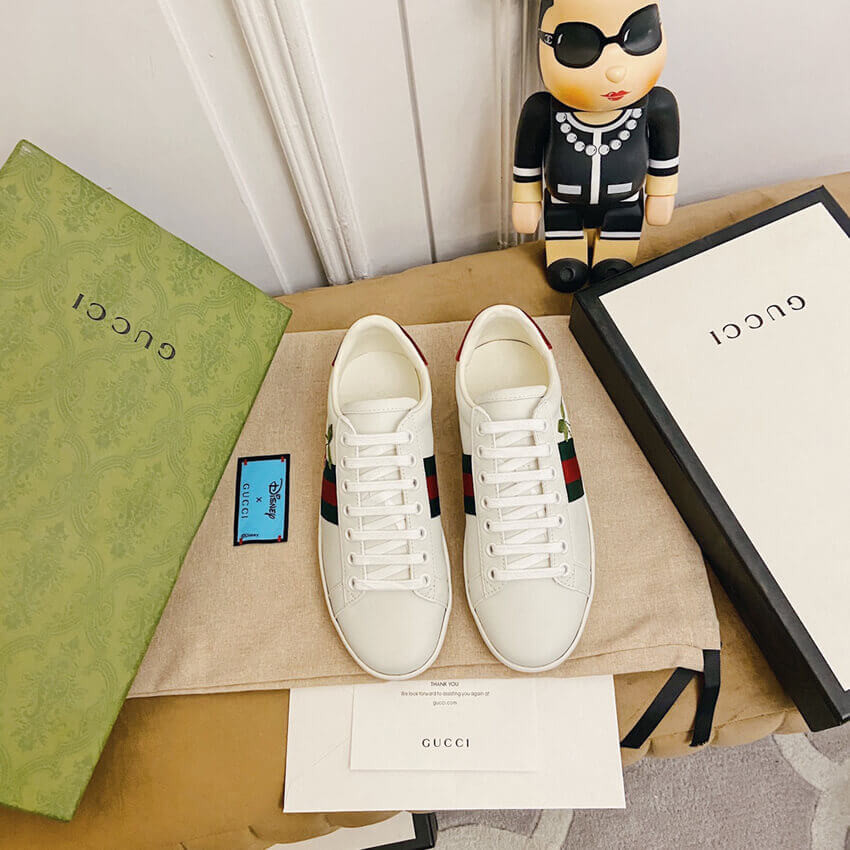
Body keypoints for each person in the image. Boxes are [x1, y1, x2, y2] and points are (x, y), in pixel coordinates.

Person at [513, 0, 679, 292]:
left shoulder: (658, 106)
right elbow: (527, 161)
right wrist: (526, 199)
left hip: (625, 201)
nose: (615, 72)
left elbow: (664, 156)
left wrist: (662, 193)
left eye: (639, 35)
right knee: (565, 261)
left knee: (616, 258)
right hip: (563, 202)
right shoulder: (541, 110)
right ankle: (567, 255)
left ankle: (614, 257)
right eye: (579, 46)